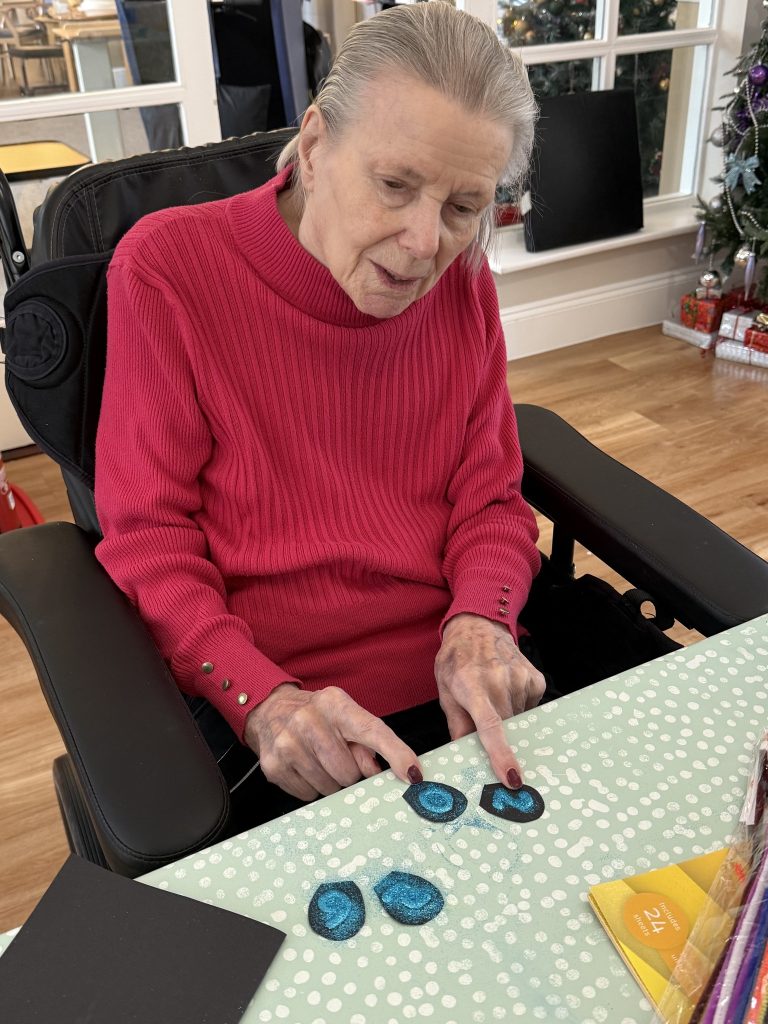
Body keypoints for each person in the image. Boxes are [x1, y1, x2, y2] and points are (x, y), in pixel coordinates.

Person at [94, 0, 544, 827]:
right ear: (313, 145)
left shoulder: (463, 283)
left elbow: (489, 500)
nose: (422, 243)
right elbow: (150, 542)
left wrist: (484, 619)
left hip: (460, 691)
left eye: (462, 206)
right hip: (272, 719)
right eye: (395, 185)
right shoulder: (167, 271)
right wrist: (262, 699)